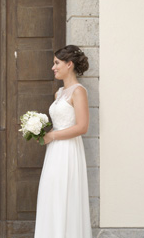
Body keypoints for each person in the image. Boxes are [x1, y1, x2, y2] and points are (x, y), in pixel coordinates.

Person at [34, 45, 92, 238]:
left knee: (65, 197)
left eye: (56, 63)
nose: (53, 67)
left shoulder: (78, 91)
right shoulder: (59, 94)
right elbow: (60, 124)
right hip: (54, 152)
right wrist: (40, 132)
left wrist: (52, 136)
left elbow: (82, 127)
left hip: (68, 151)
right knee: (51, 196)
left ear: (69, 64)